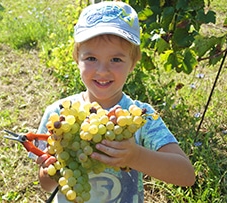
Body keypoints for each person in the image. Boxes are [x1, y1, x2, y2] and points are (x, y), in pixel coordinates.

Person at [35, 1, 195, 202]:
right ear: (77, 59)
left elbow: (186, 175)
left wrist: (135, 156)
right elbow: (46, 185)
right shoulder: (58, 115)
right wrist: (53, 169)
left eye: (116, 60)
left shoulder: (140, 116)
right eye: (91, 58)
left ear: (133, 64)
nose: (102, 70)